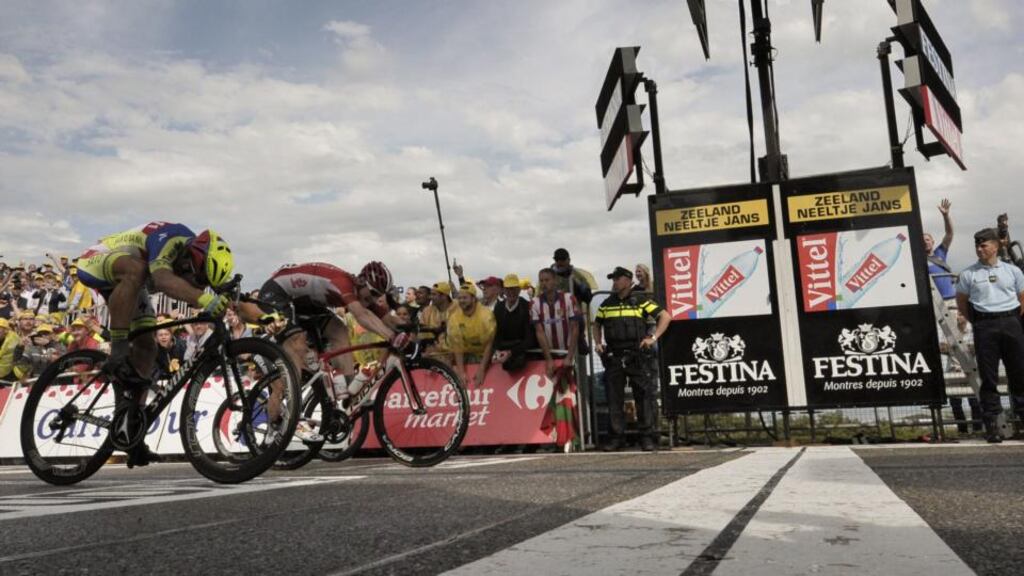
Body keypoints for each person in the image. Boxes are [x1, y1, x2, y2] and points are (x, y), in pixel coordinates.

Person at [74, 222, 235, 467]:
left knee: (148, 347)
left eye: (203, 283)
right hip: (96, 261)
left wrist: (267, 315)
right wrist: (204, 299)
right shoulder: (171, 238)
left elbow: (237, 303)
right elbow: (162, 280)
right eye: (197, 278)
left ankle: (131, 432)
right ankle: (118, 350)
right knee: (137, 270)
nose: (197, 283)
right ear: (190, 259)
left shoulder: (198, 261)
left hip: (131, 283)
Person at [237, 261, 408, 434]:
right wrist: (392, 337)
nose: (373, 299)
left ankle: (349, 395)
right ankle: (284, 415)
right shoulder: (344, 284)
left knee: (340, 331)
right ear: (362, 282)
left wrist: (412, 328)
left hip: (303, 302)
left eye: (378, 295)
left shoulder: (362, 292)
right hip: (278, 292)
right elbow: (361, 315)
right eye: (373, 293)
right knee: (297, 343)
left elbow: (387, 318)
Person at [955, 228, 1024, 443]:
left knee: (1019, 373)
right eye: (977, 245)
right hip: (985, 325)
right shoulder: (969, 274)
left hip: (1011, 322)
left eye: (983, 245)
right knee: (988, 377)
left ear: (995, 246)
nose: (979, 249)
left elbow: (1022, 297)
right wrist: (979, 321)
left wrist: (1013, 319)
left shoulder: (1012, 271)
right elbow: (962, 302)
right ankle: (992, 426)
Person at [594, 266, 671, 452]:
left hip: (637, 355)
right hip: (614, 356)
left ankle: (647, 437)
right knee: (614, 399)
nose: (614, 282)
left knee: (643, 398)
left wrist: (653, 338)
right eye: (613, 279)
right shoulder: (606, 304)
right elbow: (596, 324)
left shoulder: (641, 301)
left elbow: (665, 316)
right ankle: (616, 438)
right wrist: (598, 342)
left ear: (628, 281)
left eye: (617, 279)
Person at [531, 268, 581, 378]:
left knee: (569, 384)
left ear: (555, 281)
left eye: (547, 280)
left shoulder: (569, 298)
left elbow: (575, 328)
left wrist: (569, 357)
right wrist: (548, 359)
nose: (544, 283)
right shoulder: (535, 303)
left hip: (566, 352)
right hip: (546, 354)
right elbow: (539, 332)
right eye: (541, 281)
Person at [447, 282, 496, 388]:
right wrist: (461, 372)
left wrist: (482, 369)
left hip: (485, 353)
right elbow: (457, 347)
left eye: (465, 298)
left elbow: (490, 344)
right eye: (459, 298)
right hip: (467, 353)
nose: (461, 301)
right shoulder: (454, 318)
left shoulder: (486, 315)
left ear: (473, 299)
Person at [492, 274, 536, 373]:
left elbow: (530, 339)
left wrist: (511, 352)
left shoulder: (527, 307)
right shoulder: (498, 308)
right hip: (503, 353)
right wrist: (496, 350)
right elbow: (496, 334)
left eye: (514, 289)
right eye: (508, 289)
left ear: (519, 290)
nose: (511, 292)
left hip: (523, 354)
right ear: (504, 290)